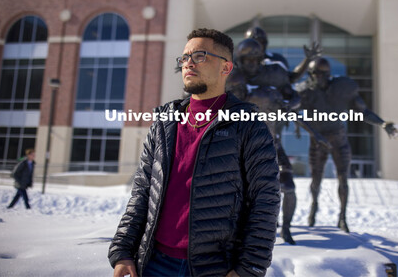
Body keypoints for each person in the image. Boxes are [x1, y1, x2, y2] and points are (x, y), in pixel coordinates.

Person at [108, 28, 280, 277]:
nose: (188, 63)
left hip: (215, 268)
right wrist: (123, 250)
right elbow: (143, 191)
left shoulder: (249, 125)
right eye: (185, 57)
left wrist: (249, 268)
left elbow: (266, 201)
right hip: (154, 263)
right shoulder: (164, 122)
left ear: (226, 68)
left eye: (200, 56)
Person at [227, 38, 325, 245]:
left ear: (262, 59)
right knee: (237, 191)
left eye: (256, 59)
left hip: (271, 142)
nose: (252, 64)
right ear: (240, 60)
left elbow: (292, 97)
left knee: (288, 186)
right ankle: (239, 231)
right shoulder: (232, 78)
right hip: (240, 147)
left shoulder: (273, 78)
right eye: (247, 60)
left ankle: (286, 229)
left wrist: (313, 132)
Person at [296, 57, 398, 233]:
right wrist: (307, 129)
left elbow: (363, 111)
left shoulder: (342, 88)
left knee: (343, 179)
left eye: (320, 74)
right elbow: (292, 111)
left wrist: (382, 123)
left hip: (338, 139)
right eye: (313, 74)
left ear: (328, 75)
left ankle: (342, 217)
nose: (316, 77)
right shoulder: (306, 91)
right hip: (318, 140)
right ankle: (313, 208)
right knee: (315, 180)